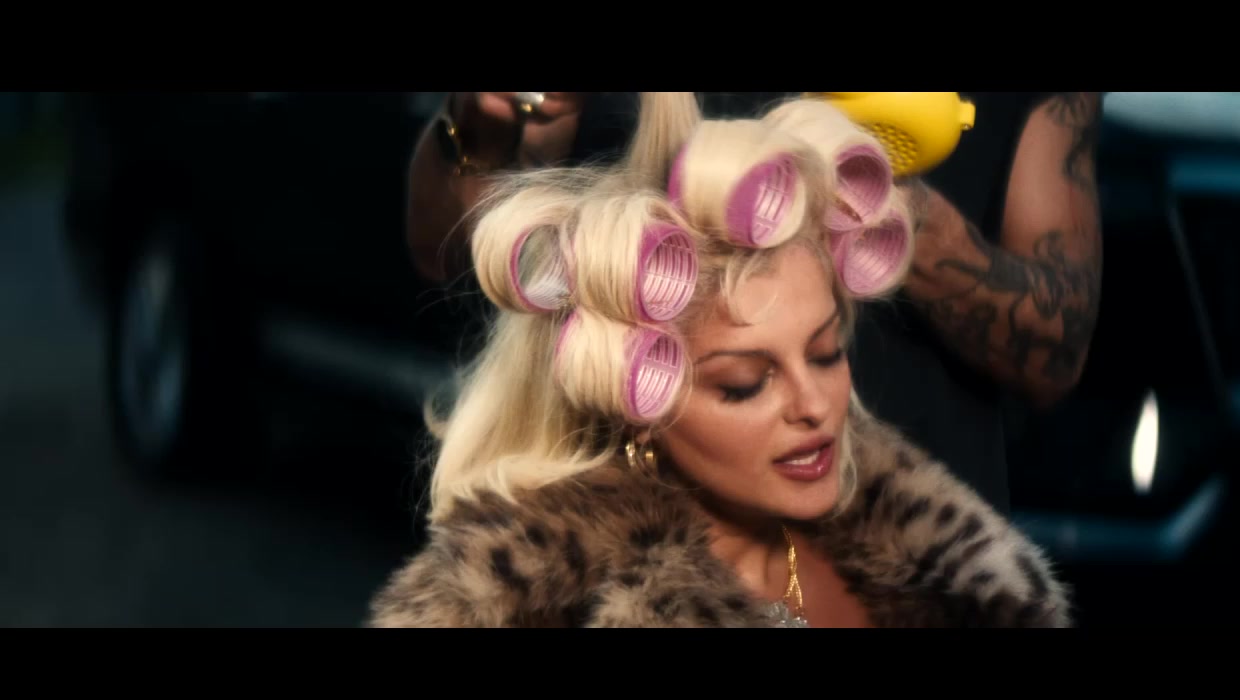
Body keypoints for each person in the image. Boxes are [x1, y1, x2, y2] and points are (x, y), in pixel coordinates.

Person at [369, 93, 1070, 628]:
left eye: (828, 354)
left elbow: (1061, 346)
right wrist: (487, 129)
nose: (816, 407)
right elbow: (442, 243)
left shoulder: (959, 572)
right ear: (639, 396)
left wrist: (899, 213)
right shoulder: (528, 601)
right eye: (743, 385)